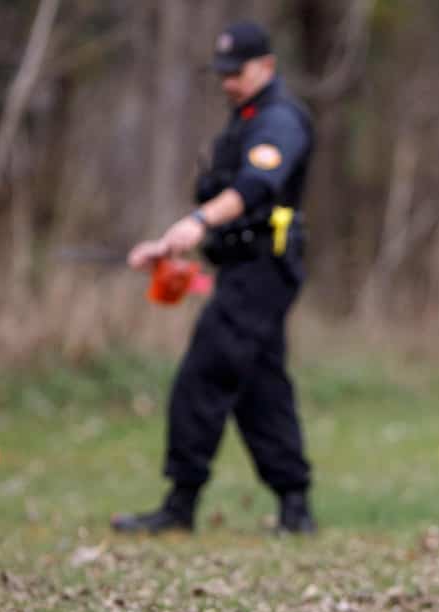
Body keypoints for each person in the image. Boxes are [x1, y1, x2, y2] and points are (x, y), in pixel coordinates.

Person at [112, 20, 315, 535]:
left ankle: (180, 504)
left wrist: (199, 222)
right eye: (222, 73)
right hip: (243, 267)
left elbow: (256, 186)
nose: (228, 82)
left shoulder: (279, 120)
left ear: (266, 66)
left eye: (237, 72)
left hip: (264, 272)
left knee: (204, 374)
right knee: (259, 385)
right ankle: (295, 505)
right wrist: (172, 246)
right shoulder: (246, 118)